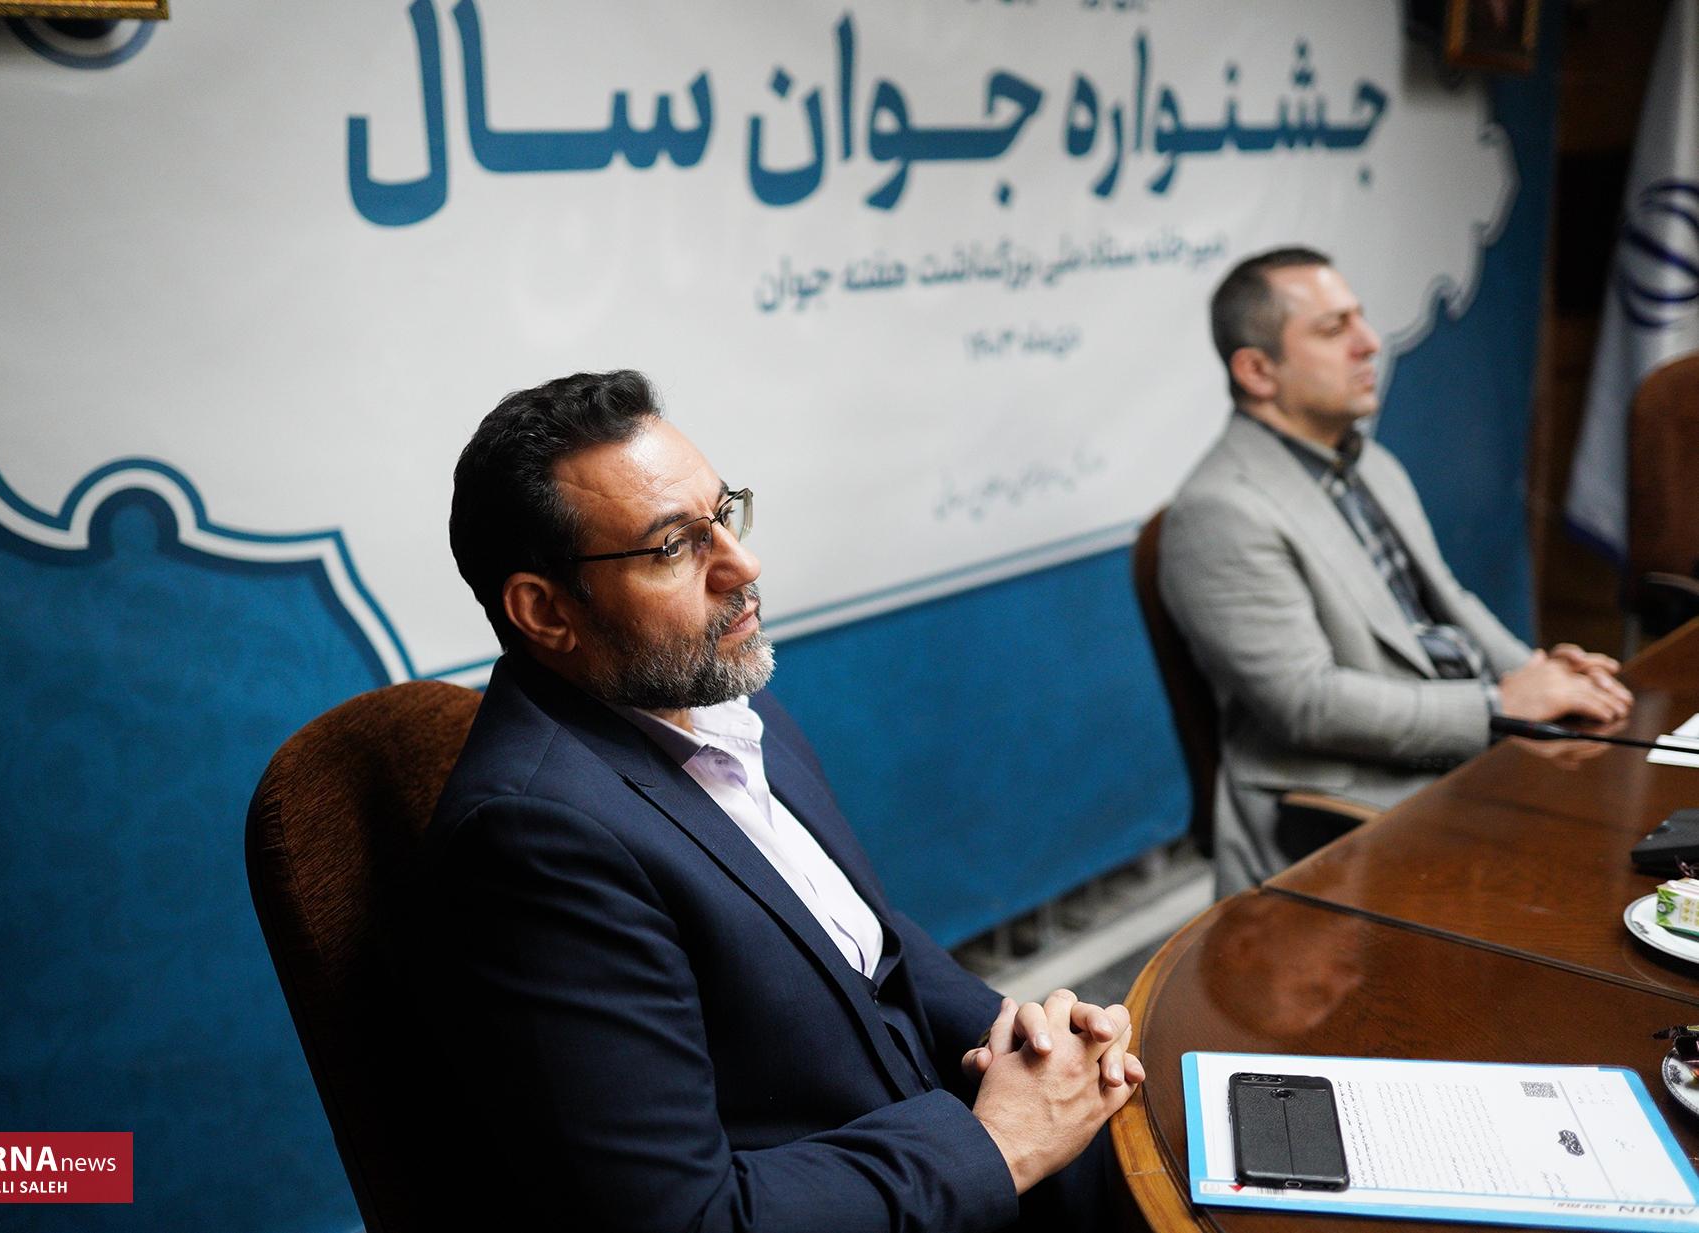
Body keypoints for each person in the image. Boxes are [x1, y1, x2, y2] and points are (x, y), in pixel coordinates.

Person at [426, 369, 1142, 1233]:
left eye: (724, 513)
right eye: (674, 547)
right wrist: (998, 1144)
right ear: (545, 612)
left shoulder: (714, 691)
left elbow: (862, 938)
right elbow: (686, 1218)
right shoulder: (531, 840)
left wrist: (1022, 1036)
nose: (742, 564)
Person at [1159, 246, 1633, 896]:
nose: (1370, 342)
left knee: (1635, 813)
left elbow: (1446, 603)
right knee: (1600, 871)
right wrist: (1502, 704)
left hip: (1457, 748)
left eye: (1360, 318)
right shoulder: (1219, 510)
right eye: (1334, 329)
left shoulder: (1367, 461)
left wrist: (1538, 672)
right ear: (1257, 371)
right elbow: (1307, 704)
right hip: (1346, 805)